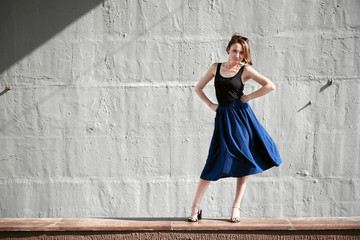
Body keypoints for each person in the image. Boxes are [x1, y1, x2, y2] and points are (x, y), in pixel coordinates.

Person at [188, 34, 282, 223]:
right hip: (223, 118)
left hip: (241, 119)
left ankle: (236, 208)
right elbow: (198, 88)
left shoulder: (245, 70)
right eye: (235, 51)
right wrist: (211, 105)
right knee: (213, 160)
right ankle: (195, 207)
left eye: (242, 53)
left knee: (245, 159)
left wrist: (248, 97)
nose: (237, 55)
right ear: (228, 50)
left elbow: (269, 86)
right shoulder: (216, 67)